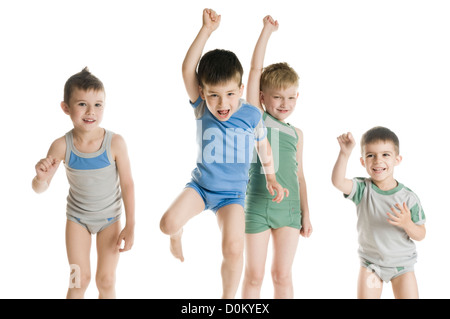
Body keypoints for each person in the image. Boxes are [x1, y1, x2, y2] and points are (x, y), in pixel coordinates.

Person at [159, 9, 286, 299]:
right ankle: (177, 235)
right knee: (167, 224)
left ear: (241, 89)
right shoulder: (201, 107)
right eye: (214, 94)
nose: (222, 103)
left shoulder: (252, 115)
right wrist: (206, 30)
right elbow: (187, 68)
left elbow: (263, 147)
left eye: (230, 94)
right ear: (202, 93)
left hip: (232, 196)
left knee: (233, 247)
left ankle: (227, 300)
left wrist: (272, 178)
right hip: (201, 187)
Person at [32, 67, 135, 299]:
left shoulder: (115, 143)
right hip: (77, 220)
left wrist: (131, 224)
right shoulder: (61, 145)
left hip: (109, 219)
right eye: (82, 104)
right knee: (79, 280)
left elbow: (128, 185)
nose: (91, 111)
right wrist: (41, 177)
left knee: (106, 280)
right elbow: (40, 188)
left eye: (98, 104)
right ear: (66, 108)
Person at [241, 16, 312, 299]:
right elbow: (255, 68)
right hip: (256, 204)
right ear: (261, 97)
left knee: (282, 276)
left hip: (289, 210)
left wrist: (306, 213)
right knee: (254, 276)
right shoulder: (254, 118)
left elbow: (300, 175)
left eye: (291, 98)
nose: (285, 104)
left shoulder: (297, 133)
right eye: (278, 97)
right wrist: (266, 31)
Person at [331, 126, 426, 299]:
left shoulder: (409, 198)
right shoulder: (362, 189)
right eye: (370, 155)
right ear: (363, 162)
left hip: (402, 266)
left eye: (385, 155)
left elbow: (421, 234)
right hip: (371, 265)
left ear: (397, 159)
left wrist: (407, 223)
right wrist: (344, 153)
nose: (377, 161)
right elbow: (338, 182)